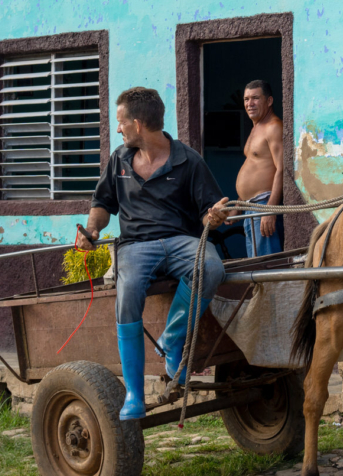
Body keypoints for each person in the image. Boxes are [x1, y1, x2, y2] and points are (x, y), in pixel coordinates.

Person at [76, 87, 233, 420]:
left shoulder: (188, 160)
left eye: (120, 122)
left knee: (211, 267)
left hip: (180, 240)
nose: (118, 129)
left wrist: (215, 216)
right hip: (135, 245)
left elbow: (208, 213)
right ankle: (134, 394)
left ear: (137, 123)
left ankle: (171, 339)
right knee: (128, 290)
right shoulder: (119, 159)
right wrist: (92, 231)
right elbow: (103, 204)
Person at [235, 79, 284, 256]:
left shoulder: (273, 127)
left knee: (266, 269)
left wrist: (270, 210)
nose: (250, 103)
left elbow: (281, 169)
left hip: (263, 206)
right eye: (246, 99)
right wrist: (239, 203)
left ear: (269, 101)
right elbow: (256, 168)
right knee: (256, 269)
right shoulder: (256, 128)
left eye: (255, 98)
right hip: (250, 208)